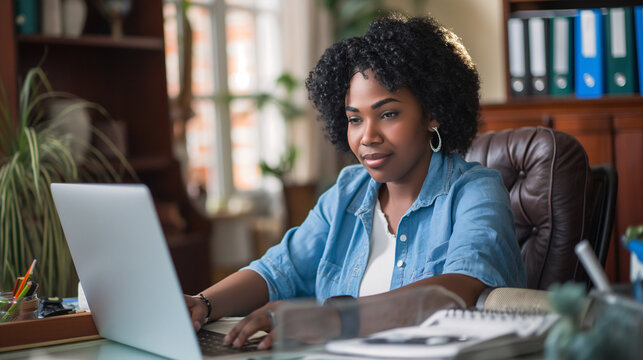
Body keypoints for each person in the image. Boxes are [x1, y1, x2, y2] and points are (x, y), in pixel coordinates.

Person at [185, 14, 526, 350]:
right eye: (354, 119)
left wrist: (332, 320)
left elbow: (458, 291)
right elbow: (278, 271)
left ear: (432, 113)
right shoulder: (348, 191)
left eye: (388, 114)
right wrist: (203, 304)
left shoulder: (476, 191)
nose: (368, 136)